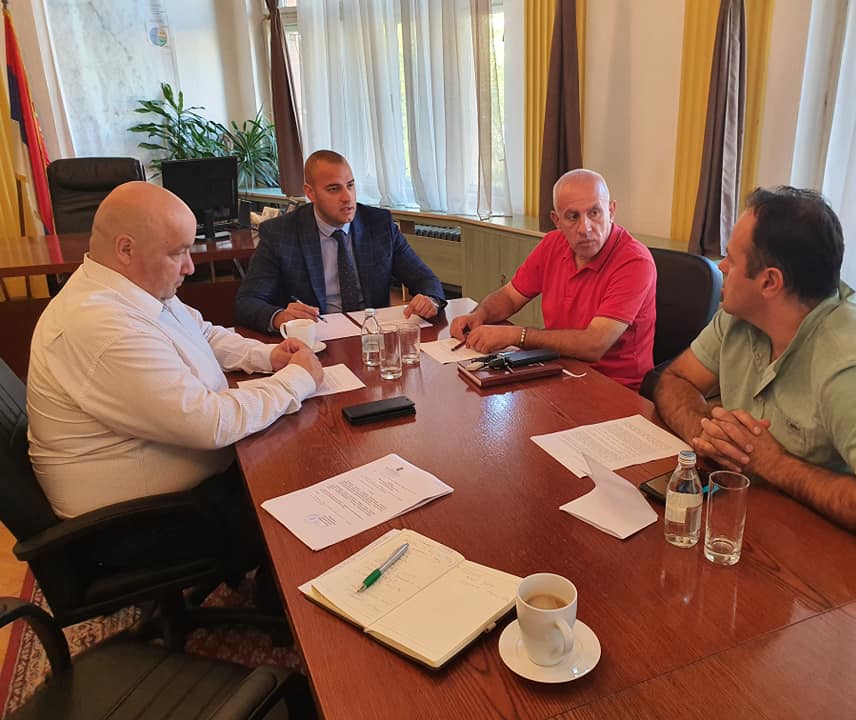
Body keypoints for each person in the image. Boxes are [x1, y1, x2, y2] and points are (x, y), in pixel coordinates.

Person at [27, 182, 324, 572]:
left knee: (290, 455)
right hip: (135, 523)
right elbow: (209, 423)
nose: (190, 267)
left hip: (169, 496)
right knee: (301, 490)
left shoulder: (131, 288)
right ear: (126, 249)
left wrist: (269, 356)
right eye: (177, 253)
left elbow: (201, 332)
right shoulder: (100, 325)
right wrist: (297, 380)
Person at [654, 186, 856, 556]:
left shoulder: (853, 362)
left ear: (769, 282)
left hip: (838, 556)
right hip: (757, 522)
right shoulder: (740, 313)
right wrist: (706, 434)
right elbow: (675, 380)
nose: (721, 267)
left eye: (731, 260)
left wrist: (772, 463)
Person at [450, 169, 656, 389]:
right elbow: (510, 296)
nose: (585, 228)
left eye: (594, 213)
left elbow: (594, 344)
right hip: (557, 370)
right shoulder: (552, 244)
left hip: (615, 388)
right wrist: (480, 315)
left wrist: (518, 335)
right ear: (556, 220)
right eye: (573, 217)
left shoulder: (634, 261)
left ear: (611, 211)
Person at [235, 150, 446, 333]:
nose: (347, 197)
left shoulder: (378, 224)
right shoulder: (280, 234)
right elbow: (246, 303)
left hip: (372, 335)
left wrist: (430, 300)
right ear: (310, 193)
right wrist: (279, 316)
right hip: (317, 339)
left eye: (350, 185)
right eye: (334, 189)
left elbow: (425, 278)